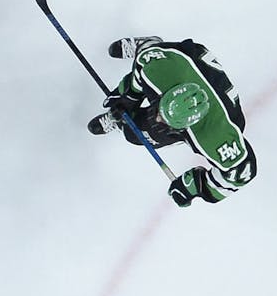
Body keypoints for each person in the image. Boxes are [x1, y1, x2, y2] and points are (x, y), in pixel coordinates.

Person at [88, 36, 258, 207]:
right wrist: (127, 96)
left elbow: (242, 173)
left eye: (164, 121)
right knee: (151, 57)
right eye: (160, 113)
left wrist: (196, 185)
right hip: (187, 59)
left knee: (137, 134)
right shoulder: (158, 69)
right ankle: (147, 42)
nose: (156, 119)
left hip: (220, 109)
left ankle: (121, 123)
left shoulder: (214, 136)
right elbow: (142, 65)